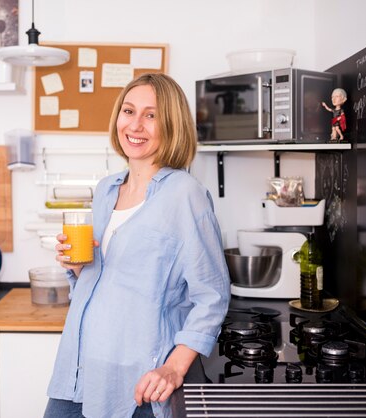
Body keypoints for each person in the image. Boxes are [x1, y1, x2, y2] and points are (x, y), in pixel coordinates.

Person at [44, 73, 231, 418]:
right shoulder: (105, 190)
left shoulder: (185, 194)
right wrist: (76, 269)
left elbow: (212, 295)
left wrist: (174, 368)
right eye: (128, 111)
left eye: (151, 115)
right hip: (79, 368)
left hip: (140, 380)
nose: (136, 125)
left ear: (171, 124)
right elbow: (103, 283)